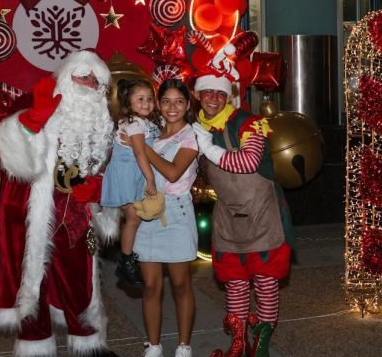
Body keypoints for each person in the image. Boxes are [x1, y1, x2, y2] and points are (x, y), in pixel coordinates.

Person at [0, 50, 118, 356]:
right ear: (67, 76)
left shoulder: (100, 120)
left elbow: (107, 164)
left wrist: (99, 188)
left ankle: (88, 343)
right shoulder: (37, 100)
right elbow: (13, 157)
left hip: (76, 212)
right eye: (82, 76)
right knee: (33, 280)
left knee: (80, 278)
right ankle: (35, 344)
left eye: (95, 80)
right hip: (34, 209)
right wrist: (33, 121)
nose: (88, 83)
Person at [190, 68, 294, 357]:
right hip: (228, 216)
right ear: (198, 96)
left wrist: (208, 149)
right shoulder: (197, 128)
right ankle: (238, 341)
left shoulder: (249, 123)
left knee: (264, 279)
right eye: (207, 92)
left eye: (220, 93)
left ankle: (261, 343)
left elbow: (248, 162)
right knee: (234, 281)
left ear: (228, 96)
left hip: (262, 212)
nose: (213, 98)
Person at [122, 79, 198, 357]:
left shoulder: (191, 136)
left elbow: (173, 172)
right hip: (146, 216)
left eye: (179, 101)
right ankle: (153, 345)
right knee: (151, 286)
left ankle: (184, 345)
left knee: (180, 284)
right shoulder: (150, 131)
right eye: (166, 101)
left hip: (177, 214)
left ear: (188, 105)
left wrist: (140, 147)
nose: (172, 107)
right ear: (158, 104)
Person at [102, 79, 161, 287]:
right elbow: (139, 152)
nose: (146, 103)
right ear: (129, 103)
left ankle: (131, 257)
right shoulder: (133, 123)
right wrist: (151, 178)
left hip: (136, 173)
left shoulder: (147, 124)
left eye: (150, 99)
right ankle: (126, 261)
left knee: (136, 218)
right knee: (133, 218)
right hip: (128, 174)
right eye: (140, 99)